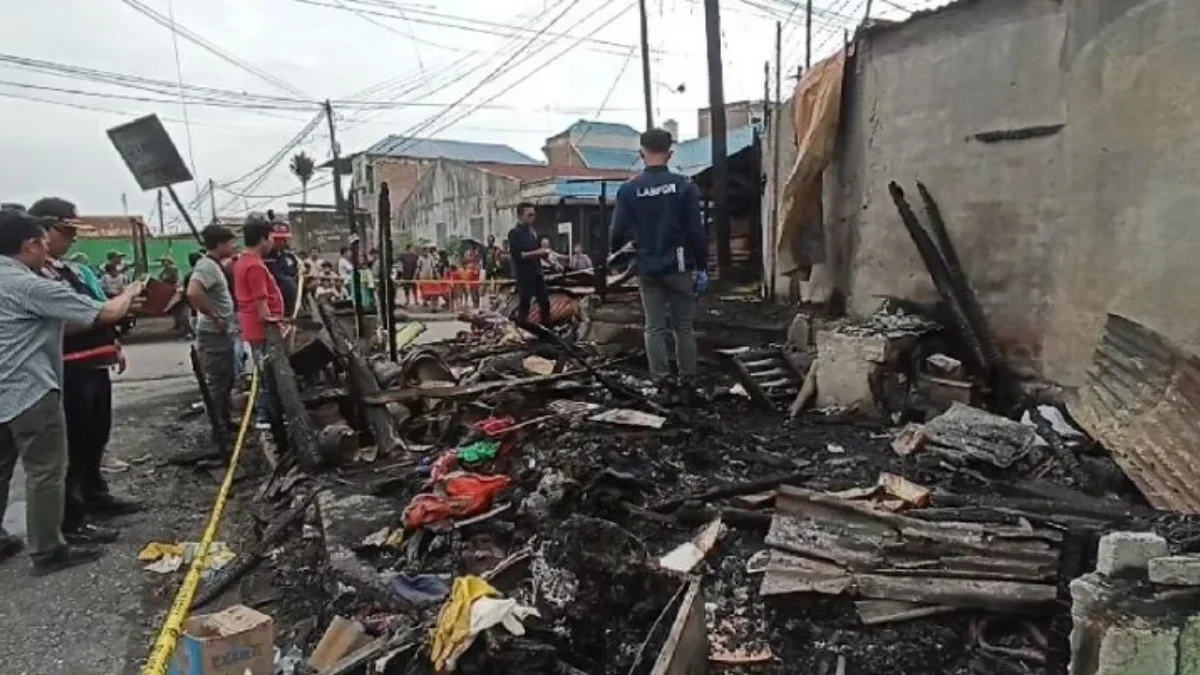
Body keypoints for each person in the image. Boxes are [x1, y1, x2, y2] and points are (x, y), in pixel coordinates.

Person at [0, 208, 144, 575]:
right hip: (30, 388)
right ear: (30, 243)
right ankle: (48, 550)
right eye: (44, 244)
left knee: (2, 468)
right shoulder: (27, 284)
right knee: (46, 471)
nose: (48, 253)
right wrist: (132, 291)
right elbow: (105, 312)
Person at [29, 197, 142, 541]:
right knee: (71, 447)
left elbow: (93, 309)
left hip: (94, 363)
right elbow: (68, 320)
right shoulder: (34, 276)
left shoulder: (70, 270)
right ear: (43, 230)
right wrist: (110, 312)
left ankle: (95, 495)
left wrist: (113, 341)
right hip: (66, 369)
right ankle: (71, 520)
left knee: (95, 437)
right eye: (65, 231)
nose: (71, 239)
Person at [611, 128, 709, 403]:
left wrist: (625, 257)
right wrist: (701, 266)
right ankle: (688, 384)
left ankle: (663, 385)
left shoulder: (629, 190)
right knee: (684, 328)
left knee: (654, 327)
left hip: (647, 267)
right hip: (678, 266)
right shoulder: (684, 185)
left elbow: (616, 234)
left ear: (641, 153)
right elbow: (696, 231)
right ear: (670, 152)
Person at [233, 216, 287, 444]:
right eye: (272, 237)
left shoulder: (243, 261)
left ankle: (271, 417)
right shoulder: (254, 266)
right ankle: (267, 418)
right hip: (264, 330)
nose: (273, 242)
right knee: (269, 375)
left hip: (256, 329)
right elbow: (262, 308)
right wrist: (279, 324)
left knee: (267, 373)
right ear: (263, 238)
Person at [187, 225, 239, 448]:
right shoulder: (206, 266)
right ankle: (217, 430)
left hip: (220, 332)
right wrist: (215, 316)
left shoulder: (214, 265)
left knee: (226, 378)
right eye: (230, 242)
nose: (233, 246)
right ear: (219, 244)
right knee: (218, 382)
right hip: (213, 333)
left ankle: (225, 422)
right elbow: (193, 292)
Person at [507, 202, 552, 326]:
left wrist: (550, 260)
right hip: (524, 274)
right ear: (521, 216)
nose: (532, 218)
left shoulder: (532, 232)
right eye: (529, 215)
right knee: (525, 302)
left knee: (544, 302)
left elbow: (539, 251)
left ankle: (546, 331)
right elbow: (519, 255)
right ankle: (521, 328)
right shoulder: (514, 233)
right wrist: (538, 252)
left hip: (537, 271)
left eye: (533, 215)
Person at [264, 223, 300, 317]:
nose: (281, 242)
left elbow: (295, 273)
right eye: (278, 239)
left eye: (284, 239)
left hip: (291, 302)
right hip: (275, 301)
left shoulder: (290, 257)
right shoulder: (265, 259)